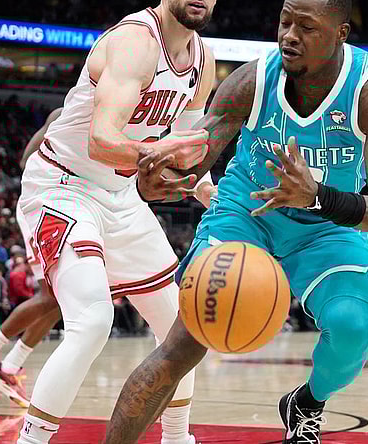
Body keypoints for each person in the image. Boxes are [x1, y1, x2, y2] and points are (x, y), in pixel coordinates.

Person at [102, 1, 368, 442]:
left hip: (327, 226)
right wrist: (164, 180)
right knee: (184, 343)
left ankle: (307, 402)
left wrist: (317, 197)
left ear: (341, 34)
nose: (290, 35)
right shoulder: (253, 80)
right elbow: (197, 163)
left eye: (307, 27)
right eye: (286, 21)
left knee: (350, 332)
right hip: (246, 212)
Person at [14, 0, 218, 442]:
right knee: (91, 322)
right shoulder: (134, 43)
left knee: (184, 327)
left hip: (120, 195)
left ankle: (179, 438)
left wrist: (207, 191)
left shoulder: (203, 59)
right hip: (62, 187)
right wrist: (160, 159)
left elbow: (183, 155)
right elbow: (102, 141)